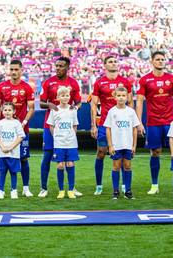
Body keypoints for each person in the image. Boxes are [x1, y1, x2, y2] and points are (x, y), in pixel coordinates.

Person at [136, 51, 173, 195]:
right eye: (157, 59)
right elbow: (140, 101)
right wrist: (139, 121)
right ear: (152, 62)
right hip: (153, 122)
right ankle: (155, 184)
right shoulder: (145, 80)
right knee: (155, 152)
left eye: (162, 59)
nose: (160, 61)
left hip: (171, 121)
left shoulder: (171, 79)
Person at [0, 60, 35, 198]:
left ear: (21, 70)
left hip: (21, 130)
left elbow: (31, 108)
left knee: (24, 159)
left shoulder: (27, 87)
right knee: (0, 158)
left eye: (16, 69)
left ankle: (26, 188)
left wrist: (24, 122)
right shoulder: (2, 86)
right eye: (11, 69)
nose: (13, 72)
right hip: (5, 130)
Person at [39, 56, 82, 198]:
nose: (58, 68)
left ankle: (71, 187)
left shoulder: (73, 83)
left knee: (69, 159)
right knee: (47, 155)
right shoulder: (48, 82)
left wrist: (73, 109)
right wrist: (51, 105)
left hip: (66, 129)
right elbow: (41, 103)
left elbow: (78, 102)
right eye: (56, 65)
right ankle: (43, 187)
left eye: (61, 66)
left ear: (67, 67)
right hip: (50, 125)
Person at [90, 55, 133, 195]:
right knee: (101, 152)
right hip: (104, 124)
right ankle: (99, 185)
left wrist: (134, 123)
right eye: (110, 62)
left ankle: (124, 186)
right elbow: (94, 104)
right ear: (105, 65)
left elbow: (131, 102)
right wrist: (93, 125)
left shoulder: (125, 82)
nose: (113, 64)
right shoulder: (99, 82)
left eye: (115, 61)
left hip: (122, 126)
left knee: (122, 154)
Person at [103, 87, 140, 200]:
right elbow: (108, 129)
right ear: (115, 97)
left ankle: (128, 191)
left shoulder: (131, 112)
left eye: (123, 95)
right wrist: (110, 145)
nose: (121, 98)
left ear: (127, 97)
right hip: (116, 145)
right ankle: (115, 191)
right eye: (118, 95)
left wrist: (134, 145)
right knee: (116, 166)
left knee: (127, 166)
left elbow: (134, 129)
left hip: (128, 145)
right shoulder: (112, 111)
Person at [47, 86, 80, 199]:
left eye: (67, 95)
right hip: (59, 143)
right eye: (62, 95)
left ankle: (71, 190)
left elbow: (75, 125)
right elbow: (51, 126)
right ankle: (61, 190)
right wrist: (56, 137)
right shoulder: (54, 110)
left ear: (69, 97)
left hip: (71, 143)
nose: (65, 97)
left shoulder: (72, 110)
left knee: (70, 163)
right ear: (57, 97)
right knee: (60, 165)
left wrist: (71, 135)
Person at [0, 102, 26, 199]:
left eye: (9, 110)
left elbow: (21, 137)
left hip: (14, 153)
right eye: (5, 110)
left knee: (13, 172)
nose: (7, 112)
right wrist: (3, 147)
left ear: (14, 111)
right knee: (2, 171)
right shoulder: (0, 123)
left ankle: (14, 190)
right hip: (2, 153)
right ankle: (1, 191)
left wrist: (11, 147)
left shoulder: (17, 123)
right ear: (2, 111)